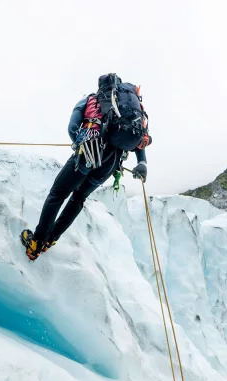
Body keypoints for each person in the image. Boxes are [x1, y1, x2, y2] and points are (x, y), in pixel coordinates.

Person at [21, 73, 151, 261]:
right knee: (79, 198)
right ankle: (50, 240)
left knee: (58, 194)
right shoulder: (131, 109)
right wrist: (142, 163)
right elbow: (141, 140)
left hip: (88, 153)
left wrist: (79, 145)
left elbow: (72, 128)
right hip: (111, 163)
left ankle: (37, 243)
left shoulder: (91, 99)